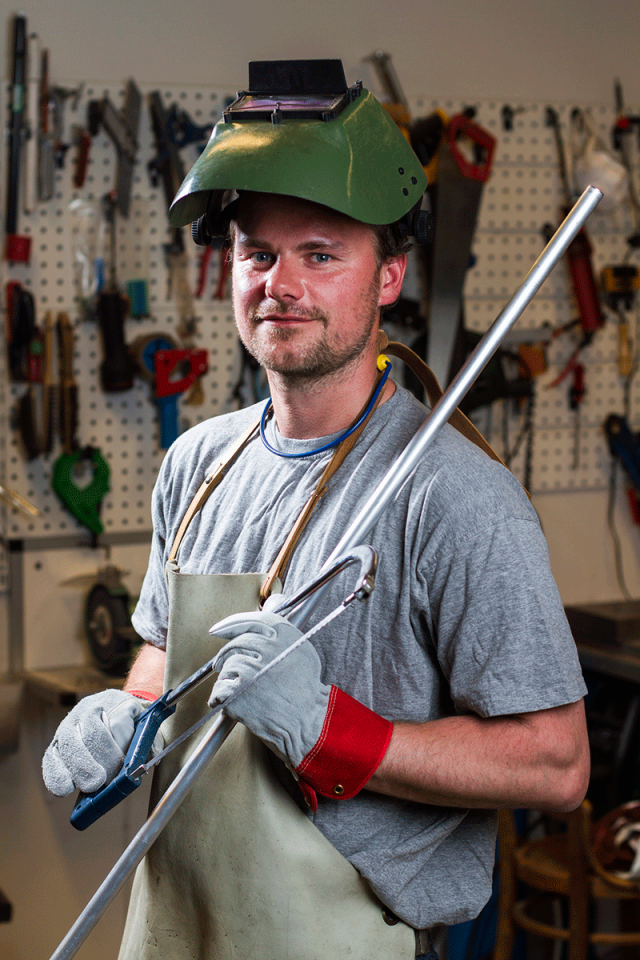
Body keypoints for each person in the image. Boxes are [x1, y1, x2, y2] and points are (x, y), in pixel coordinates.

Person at [42, 59, 590, 960]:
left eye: (321, 254)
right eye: (258, 254)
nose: (279, 285)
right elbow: (164, 649)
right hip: (180, 919)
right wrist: (130, 713)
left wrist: (338, 733)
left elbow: (557, 763)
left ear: (388, 278)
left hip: (343, 933)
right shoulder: (199, 464)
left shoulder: (451, 494)